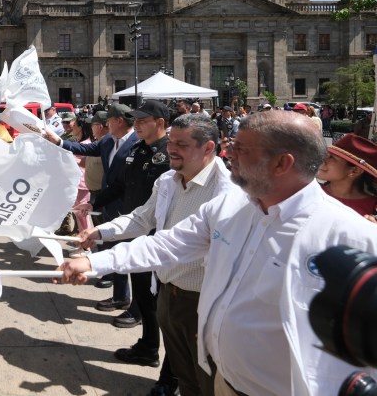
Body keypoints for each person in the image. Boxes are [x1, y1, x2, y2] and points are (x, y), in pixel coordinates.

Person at [58, 110, 377, 396]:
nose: (229, 154)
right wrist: (94, 261)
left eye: (241, 149)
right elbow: (168, 243)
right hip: (225, 379)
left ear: (282, 163)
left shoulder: (352, 238)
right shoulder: (230, 207)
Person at [75, 113, 230, 396]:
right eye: (171, 142)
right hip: (168, 290)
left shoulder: (227, 193)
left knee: (206, 381)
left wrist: (95, 262)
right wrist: (101, 232)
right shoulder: (168, 180)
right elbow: (142, 218)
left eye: (181, 144)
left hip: (201, 300)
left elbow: (169, 244)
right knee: (184, 375)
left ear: (208, 147)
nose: (171, 149)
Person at [90, 100, 170, 360]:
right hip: (134, 227)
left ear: (160, 123)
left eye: (142, 121)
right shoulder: (137, 149)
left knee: (159, 299)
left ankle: (162, 357)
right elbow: (120, 185)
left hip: (158, 235)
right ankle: (148, 346)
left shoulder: (170, 154)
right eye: (135, 120)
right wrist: (92, 203)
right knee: (143, 293)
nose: (136, 125)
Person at [43, 103, 138, 299]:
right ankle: (119, 295)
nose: (106, 124)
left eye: (109, 120)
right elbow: (86, 149)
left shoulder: (137, 142)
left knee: (128, 252)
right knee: (111, 245)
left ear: (119, 121)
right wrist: (58, 142)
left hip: (129, 205)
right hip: (108, 199)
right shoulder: (108, 140)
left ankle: (129, 301)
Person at [317, 133, 377, 221]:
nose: (323, 160)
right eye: (327, 155)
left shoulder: (373, 209)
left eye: (332, 157)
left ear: (355, 171)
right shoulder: (309, 191)